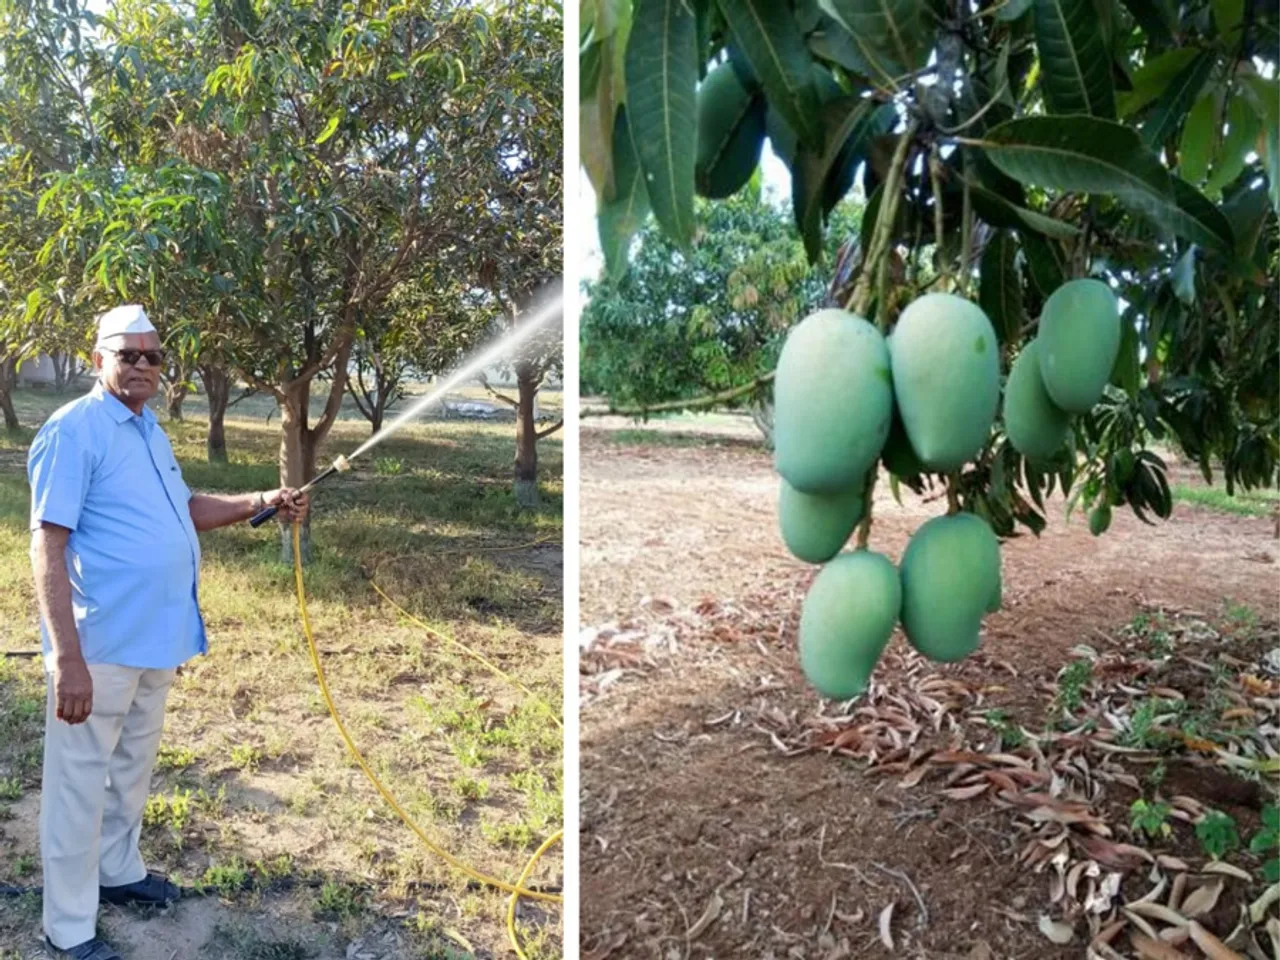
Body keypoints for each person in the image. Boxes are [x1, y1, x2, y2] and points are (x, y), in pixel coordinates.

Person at [26, 305, 309, 960]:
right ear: (98, 360)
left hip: (158, 636)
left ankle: (118, 872)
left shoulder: (147, 429)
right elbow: (48, 544)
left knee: (130, 767)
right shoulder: (75, 431)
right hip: (100, 646)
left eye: (154, 356)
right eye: (130, 355)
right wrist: (66, 658)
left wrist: (258, 502)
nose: (145, 366)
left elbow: (182, 508)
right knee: (78, 782)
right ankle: (67, 927)